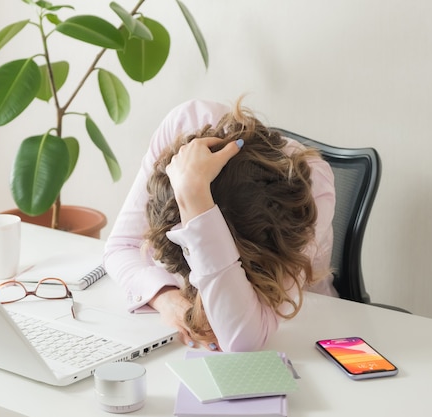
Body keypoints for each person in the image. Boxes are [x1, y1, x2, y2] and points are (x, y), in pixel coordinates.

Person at [103, 98, 337, 353]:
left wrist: (196, 199)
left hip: (310, 333)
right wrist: (167, 299)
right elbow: (121, 246)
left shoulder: (310, 189)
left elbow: (243, 339)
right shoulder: (183, 127)